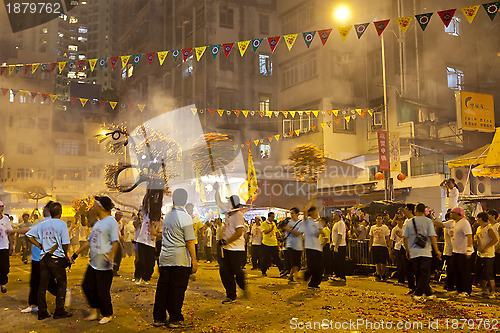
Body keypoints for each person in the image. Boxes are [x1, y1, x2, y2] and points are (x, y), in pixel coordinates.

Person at [152, 189, 198, 328]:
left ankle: (159, 317)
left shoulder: (168, 217)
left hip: (165, 258)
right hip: (179, 259)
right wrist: (194, 261)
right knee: (176, 289)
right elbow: (190, 241)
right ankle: (175, 318)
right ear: (185, 200)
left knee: (163, 288)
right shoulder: (185, 217)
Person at [71, 196, 119, 324]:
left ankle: (107, 314)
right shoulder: (98, 223)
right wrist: (75, 254)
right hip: (93, 262)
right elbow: (89, 241)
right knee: (87, 286)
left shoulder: (111, 221)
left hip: (104, 263)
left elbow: (115, 242)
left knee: (102, 291)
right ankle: (95, 310)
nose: (93, 207)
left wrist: (110, 256)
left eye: (95, 205)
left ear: (101, 207)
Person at [26, 202, 72, 320]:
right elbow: (65, 243)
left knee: (42, 286)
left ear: (50, 212)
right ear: (60, 212)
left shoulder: (43, 224)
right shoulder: (62, 224)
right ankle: (59, 311)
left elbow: (29, 235)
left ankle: (42, 312)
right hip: (56, 258)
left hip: (44, 259)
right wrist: (66, 256)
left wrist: (39, 245)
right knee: (62, 283)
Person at [16, 201, 61, 313]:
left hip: (43, 258)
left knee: (45, 282)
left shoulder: (47, 222)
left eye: (44, 209)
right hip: (38, 257)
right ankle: (34, 304)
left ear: (48, 210)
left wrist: (12, 230)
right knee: (36, 281)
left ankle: (61, 294)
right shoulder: (47, 221)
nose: (43, 211)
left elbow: (28, 231)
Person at [402, 203, 441, 301]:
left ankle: (428, 293)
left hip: (413, 252)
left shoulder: (409, 222)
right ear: (424, 211)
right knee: (425, 273)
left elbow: (405, 238)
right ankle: (418, 294)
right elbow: (432, 236)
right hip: (426, 251)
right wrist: (436, 250)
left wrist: (407, 250)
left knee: (419, 273)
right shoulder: (428, 221)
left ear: (415, 211)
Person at [436, 207, 474, 297]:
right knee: (455, 270)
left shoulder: (464, 223)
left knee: (464, 272)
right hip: (455, 251)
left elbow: (469, 235)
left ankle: (466, 290)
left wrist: (469, 248)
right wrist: (428, 220)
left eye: (452, 212)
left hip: (464, 252)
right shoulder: (452, 222)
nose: (450, 214)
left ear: (458, 214)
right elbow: (441, 225)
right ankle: (459, 289)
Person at [219, 195, 248, 304]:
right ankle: (231, 295)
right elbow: (218, 201)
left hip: (237, 249)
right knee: (224, 272)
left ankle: (242, 285)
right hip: (227, 248)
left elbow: (239, 232)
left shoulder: (238, 215)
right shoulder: (229, 215)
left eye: (228, 202)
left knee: (236, 271)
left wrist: (227, 241)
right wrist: (217, 190)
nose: (226, 203)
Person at [475, 212, 498, 298]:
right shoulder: (479, 228)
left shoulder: (489, 228)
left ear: (480, 218)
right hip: (480, 253)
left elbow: (495, 239)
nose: (477, 220)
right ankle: (484, 290)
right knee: (480, 273)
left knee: (489, 273)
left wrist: (485, 247)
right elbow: (478, 238)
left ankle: (493, 292)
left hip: (488, 255)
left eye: (477, 218)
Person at [301, 206, 323, 289]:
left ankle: (316, 283)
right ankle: (307, 277)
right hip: (310, 247)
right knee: (312, 266)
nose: (316, 214)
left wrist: (320, 231)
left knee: (319, 266)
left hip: (317, 247)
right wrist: (311, 202)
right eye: (315, 212)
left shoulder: (316, 223)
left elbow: (318, 234)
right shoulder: (307, 222)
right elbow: (305, 213)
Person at [260, 212, 285, 277]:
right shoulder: (264, 224)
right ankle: (263, 271)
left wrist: (279, 237)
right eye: (272, 217)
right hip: (266, 243)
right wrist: (271, 228)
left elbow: (276, 232)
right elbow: (265, 232)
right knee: (265, 258)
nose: (273, 218)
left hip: (274, 243)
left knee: (277, 258)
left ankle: (282, 270)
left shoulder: (273, 223)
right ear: (269, 217)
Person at [283, 208, 303, 283]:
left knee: (297, 263)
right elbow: (285, 234)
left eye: (292, 213)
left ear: (297, 214)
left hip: (298, 245)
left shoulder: (301, 223)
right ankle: (295, 277)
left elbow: (298, 233)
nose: (291, 215)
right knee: (294, 262)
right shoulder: (289, 223)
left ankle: (291, 276)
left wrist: (289, 230)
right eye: (290, 213)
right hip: (290, 245)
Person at [369, 214, 391, 281]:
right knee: (377, 261)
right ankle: (378, 274)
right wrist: (370, 246)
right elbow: (371, 238)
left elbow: (387, 237)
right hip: (375, 245)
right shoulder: (372, 228)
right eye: (378, 219)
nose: (379, 220)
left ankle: (383, 274)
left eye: (380, 219)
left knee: (383, 261)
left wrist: (389, 246)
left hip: (383, 246)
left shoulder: (385, 227)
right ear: (376, 220)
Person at [0, 201, 14, 294]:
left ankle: (3, 282)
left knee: (5, 267)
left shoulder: (6, 219)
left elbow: (10, 232)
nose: (1, 208)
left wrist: (11, 245)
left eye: (2, 207)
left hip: (4, 246)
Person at [331, 210, 347, 282]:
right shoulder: (336, 223)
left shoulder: (340, 223)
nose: (333, 216)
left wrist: (337, 246)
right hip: (336, 245)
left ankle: (342, 276)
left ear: (337, 215)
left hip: (341, 246)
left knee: (340, 262)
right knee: (336, 261)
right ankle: (337, 275)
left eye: (334, 214)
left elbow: (340, 235)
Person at [390, 214, 406, 286]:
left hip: (405, 247)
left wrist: (400, 235)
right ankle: (400, 279)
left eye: (401, 220)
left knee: (405, 264)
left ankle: (404, 278)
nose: (400, 221)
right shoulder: (394, 229)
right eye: (398, 220)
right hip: (398, 247)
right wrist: (390, 249)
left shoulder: (405, 228)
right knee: (399, 265)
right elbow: (391, 239)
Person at [113, 210, 124, 277]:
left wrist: (122, 238)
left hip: (118, 241)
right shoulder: (112, 222)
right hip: (111, 241)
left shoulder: (121, 223)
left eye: (121, 216)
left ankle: (115, 270)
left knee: (119, 256)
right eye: (118, 215)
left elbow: (122, 231)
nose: (120, 217)